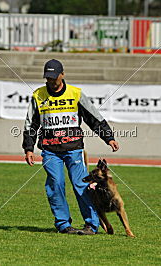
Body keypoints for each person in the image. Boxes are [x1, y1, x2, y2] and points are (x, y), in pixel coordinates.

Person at [22, 59, 118, 235]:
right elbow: (31, 124)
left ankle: (91, 225)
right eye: (47, 78)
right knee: (55, 184)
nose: (50, 81)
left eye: (53, 77)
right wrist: (29, 148)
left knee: (81, 185)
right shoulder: (38, 95)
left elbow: (94, 117)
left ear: (62, 75)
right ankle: (63, 224)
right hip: (50, 150)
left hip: (74, 148)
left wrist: (108, 137)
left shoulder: (76, 94)